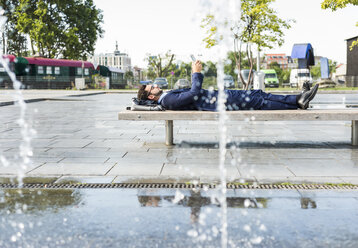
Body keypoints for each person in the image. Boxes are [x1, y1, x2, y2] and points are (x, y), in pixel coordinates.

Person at [137, 60, 318, 111]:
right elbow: (193, 93)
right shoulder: (167, 101)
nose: (154, 85)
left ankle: (297, 99)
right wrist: (196, 72)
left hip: (222, 96)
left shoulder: (166, 97)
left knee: (258, 93)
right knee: (259, 102)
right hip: (220, 101)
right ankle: (297, 101)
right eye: (151, 88)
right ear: (152, 96)